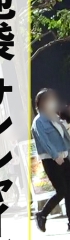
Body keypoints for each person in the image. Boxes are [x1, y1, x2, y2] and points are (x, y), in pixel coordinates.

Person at [32, 88, 70, 232]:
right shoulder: (38, 121)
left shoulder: (54, 117)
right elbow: (44, 141)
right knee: (62, 190)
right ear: (41, 103)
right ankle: (42, 215)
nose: (53, 102)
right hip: (51, 160)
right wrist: (55, 156)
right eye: (49, 100)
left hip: (64, 157)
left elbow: (64, 137)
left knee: (69, 190)